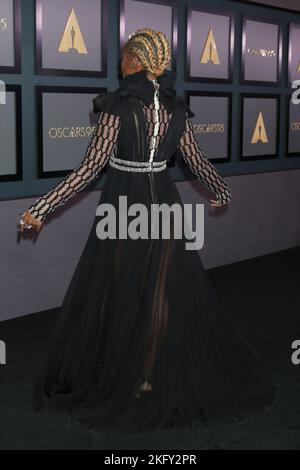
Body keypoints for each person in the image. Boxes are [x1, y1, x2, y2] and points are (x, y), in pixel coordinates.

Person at [18, 28, 277, 434]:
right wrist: (221, 189)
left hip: (126, 203)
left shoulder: (118, 107)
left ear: (135, 61)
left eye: (124, 55)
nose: (120, 62)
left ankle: (122, 371)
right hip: (164, 202)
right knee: (157, 291)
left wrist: (40, 208)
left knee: (122, 285)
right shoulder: (176, 108)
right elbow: (195, 159)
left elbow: (89, 169)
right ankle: (147, 376)